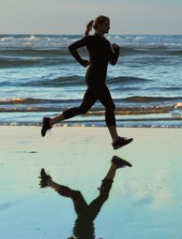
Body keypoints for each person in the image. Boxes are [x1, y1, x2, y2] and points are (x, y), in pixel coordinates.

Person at [41, 15, 132, 149]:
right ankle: (115, 140)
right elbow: (71, 48)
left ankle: (50, 122)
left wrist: (116, 51)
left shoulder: (106, 43)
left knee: (83, 109)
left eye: (109, 24)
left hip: (99, 79)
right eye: (107, 24)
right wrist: (82, 62)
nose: (109, 27)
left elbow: (112, 62)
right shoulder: (90, 40)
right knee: (110, 106)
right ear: (99, 25)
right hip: (94, 78)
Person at [39, 156, 130, 239]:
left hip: (85, 224)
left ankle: (114, 165)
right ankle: (48, 182)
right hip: (83, 226)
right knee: (76, 194)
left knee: (103, 196)